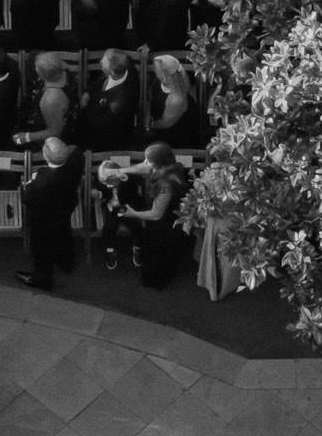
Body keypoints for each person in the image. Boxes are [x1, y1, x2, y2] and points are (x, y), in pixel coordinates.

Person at [99, 143, 191, 287]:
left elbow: (156, 214)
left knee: (157, 260)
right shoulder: (165, 166)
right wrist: (119, 171)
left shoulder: (166, 184)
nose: (145, 164)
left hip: (165, 224)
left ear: (159, 165)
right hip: (157, 217)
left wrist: (133, 213)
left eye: (149, 161)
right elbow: (144, 167)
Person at [17, 134, 84, 292]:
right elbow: (76, 149)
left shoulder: (42, 180)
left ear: (45, 155)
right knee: (63, 233)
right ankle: (66, 262)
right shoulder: (75, 161)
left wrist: (27, 185)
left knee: (41, 247)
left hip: (44, 218)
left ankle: (42, 278)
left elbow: (27, 199)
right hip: (66, 208)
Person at [85, 47, 141, 150]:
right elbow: (100, 81)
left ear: (112, 72)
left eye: (104, 63)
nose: (100, 62)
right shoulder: (125, 66)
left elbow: (102, 123)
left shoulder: (119, 100)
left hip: (110, 135)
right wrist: (88, 93)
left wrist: (86, 110)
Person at [15, 52, 73, 148]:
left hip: (53, 142)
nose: (36, 69)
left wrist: (27, 137)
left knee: (5, 151)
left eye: (37, 68)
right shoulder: (64, 70)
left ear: (42, 76)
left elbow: (55, 132)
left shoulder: (50, 101)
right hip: (39, 114)